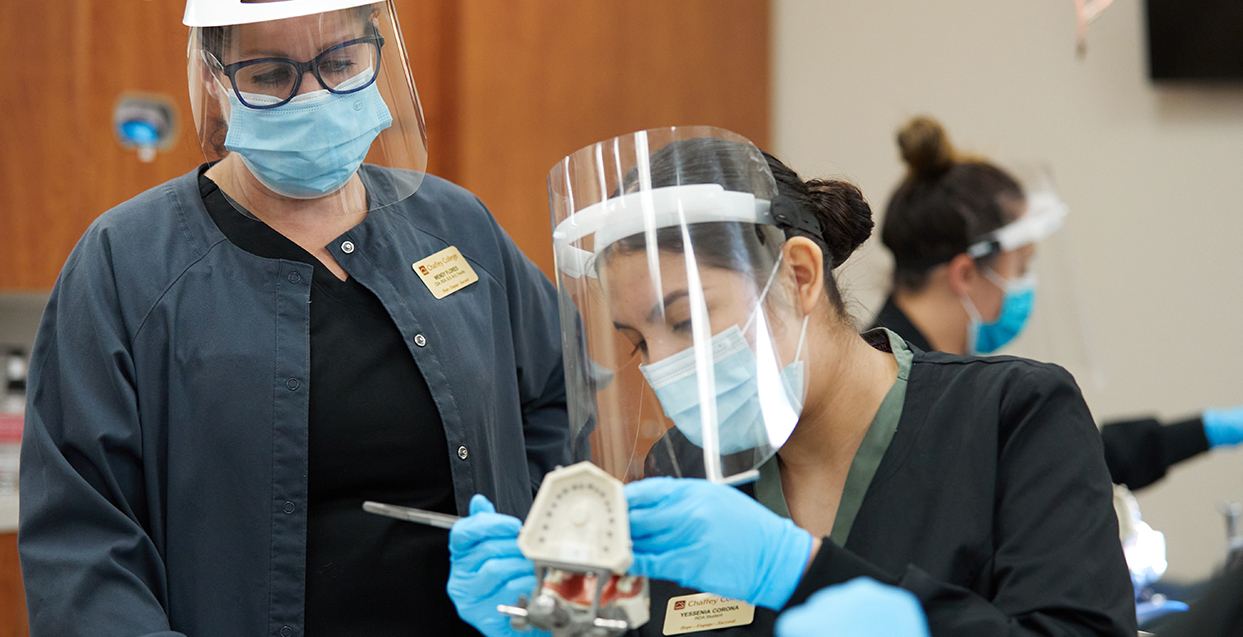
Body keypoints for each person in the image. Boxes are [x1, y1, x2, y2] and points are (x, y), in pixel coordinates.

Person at [447, 127, 1136, 636]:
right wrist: (547, 615)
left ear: (799, 275)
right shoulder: (688, 473)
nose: (660, 367)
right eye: (636, 342)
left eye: (684, 320)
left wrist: (798, 569)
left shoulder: (1010, 417)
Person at [17, 2, 569, 636]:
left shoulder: (455, 226)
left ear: (377, 52)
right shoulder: (126, 263)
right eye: (270, 74)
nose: (313, 97)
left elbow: (563, 397)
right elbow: (81, 542)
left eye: (339, 62)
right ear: (216, 82)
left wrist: (538, 538)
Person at [871, 116, 1243, 492]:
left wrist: (1207, 431)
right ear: (965, 274)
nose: (1025, 284)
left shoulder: (927, 375)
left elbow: (1053, 461)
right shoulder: (892, 398)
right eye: (1021, 266)